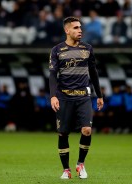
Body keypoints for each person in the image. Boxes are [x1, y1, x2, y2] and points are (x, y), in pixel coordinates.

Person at [49, 16, 104, 179]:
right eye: (75, 28)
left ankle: (81, 164)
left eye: (80, 27)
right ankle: (66, 170)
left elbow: (93, 73)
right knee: (63, 133)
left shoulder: (87, 48)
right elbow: (53, 75)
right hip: (64, 97)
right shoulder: (57, 50)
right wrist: (53, 96)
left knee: (87, 130)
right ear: (67, 30)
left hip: (83, 97)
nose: (80, 30)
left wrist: (99, 95)